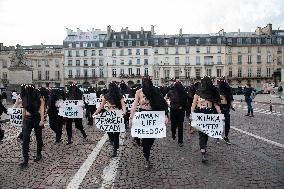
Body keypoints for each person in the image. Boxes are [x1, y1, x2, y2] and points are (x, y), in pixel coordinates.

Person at [129, 77, 169, 170]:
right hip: (142, 117)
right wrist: (131, 118)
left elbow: (162, 103)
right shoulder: (139, 92)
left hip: (154, 117)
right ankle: (147, 158)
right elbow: (134, 105)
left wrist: (165, 115)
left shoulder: (155, 91)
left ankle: (146, 149)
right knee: (146, 141)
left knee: (151, 139)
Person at [191, 76, 222, 163]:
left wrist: (191, 113)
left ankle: (203, 150)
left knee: (202, 133)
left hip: (200, 112)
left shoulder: (198, 92)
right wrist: (220, 114)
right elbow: (216, 105)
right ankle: (204, 148)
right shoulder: (212, 92)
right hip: (209, 112)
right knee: (206, 132)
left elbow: (193, 104)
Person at [93, 82, 126, 157]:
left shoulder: (107, 96)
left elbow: (100, 107)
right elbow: (123, 106)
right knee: (116, 133)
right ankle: (115, 148)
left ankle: (112, 142)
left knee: (109, 129)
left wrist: (95, 113)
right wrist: (124, 112)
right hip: (117, 115)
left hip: (110, 115)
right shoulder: (119, 95)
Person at [20, 85, 45, 169]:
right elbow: (24, 109)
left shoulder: (38, 96)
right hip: (27, 119)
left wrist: (42, 120)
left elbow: (42, 108)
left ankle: (39, 154)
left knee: (38, 137)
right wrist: (22, 121)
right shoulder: (24, 96)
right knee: (25, 138)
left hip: (36, 118)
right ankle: (25, 158)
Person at [165, 81, 188, 147]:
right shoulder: (171, 92)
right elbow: (165, 98)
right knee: (174, 124)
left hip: (178, 111)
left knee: (179, 125)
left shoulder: (183, 93)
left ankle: (180, 140)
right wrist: (168, 104)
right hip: (176, 110)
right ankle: (174, 135)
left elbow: (186, 102)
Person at [218, 79, 234, 145]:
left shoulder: (228, 91)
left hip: (226, 109)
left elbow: (230, 99)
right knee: (219, 123)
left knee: (227, 123)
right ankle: (218, 137)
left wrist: (231, 106)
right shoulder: (218, 91)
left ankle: (226, 136)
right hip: (220, 108)